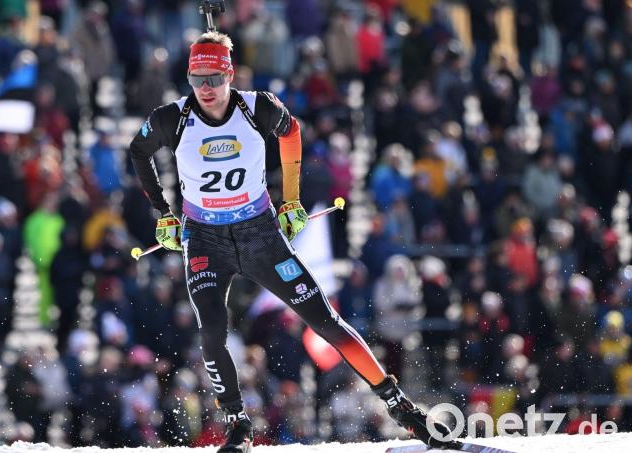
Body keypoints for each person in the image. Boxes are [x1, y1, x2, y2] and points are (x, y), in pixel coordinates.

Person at [129, 31, 457, 452]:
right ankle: (237, 425)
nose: (205, 89)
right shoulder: (171, 118)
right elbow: (139, 151)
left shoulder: (256, 107)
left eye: (213, 77)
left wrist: (291, 200)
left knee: (324, 321)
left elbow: (292, 132)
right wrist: (164, 213)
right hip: (206, 238)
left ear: (229, 74)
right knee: (212, 330)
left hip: (260, 234)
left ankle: (401, 408)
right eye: (197, 79)